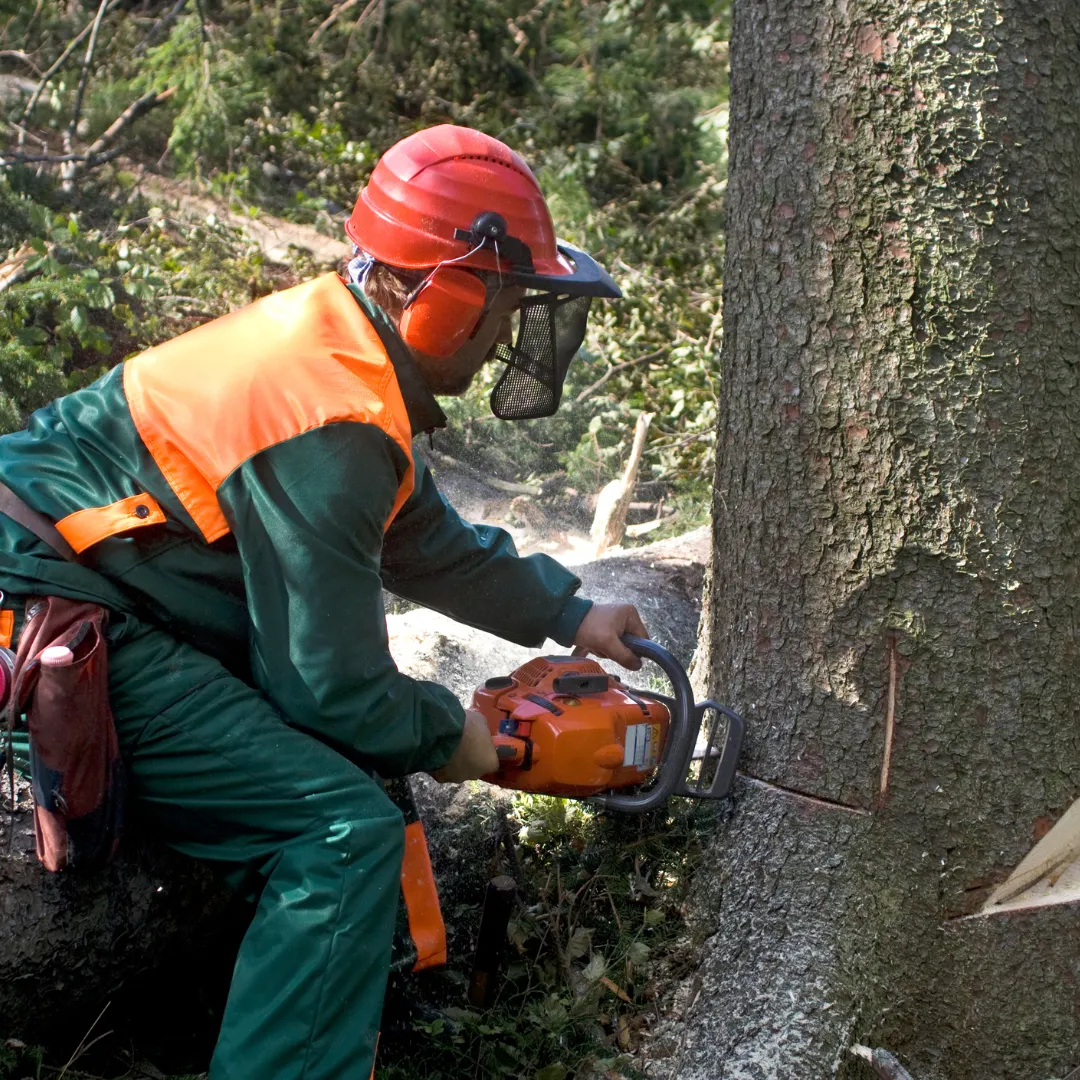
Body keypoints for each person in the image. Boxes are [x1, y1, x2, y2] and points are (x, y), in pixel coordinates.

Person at [0, 124, 648, 1078]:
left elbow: (426, 542)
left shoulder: (340, 354)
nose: (511, 331)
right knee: (342, 831)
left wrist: (573, 612)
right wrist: (462, 738)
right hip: (59, 604)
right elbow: (330, 688)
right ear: (449, 293)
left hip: (98, 581)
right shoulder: (333, 419)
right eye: (507, 302)